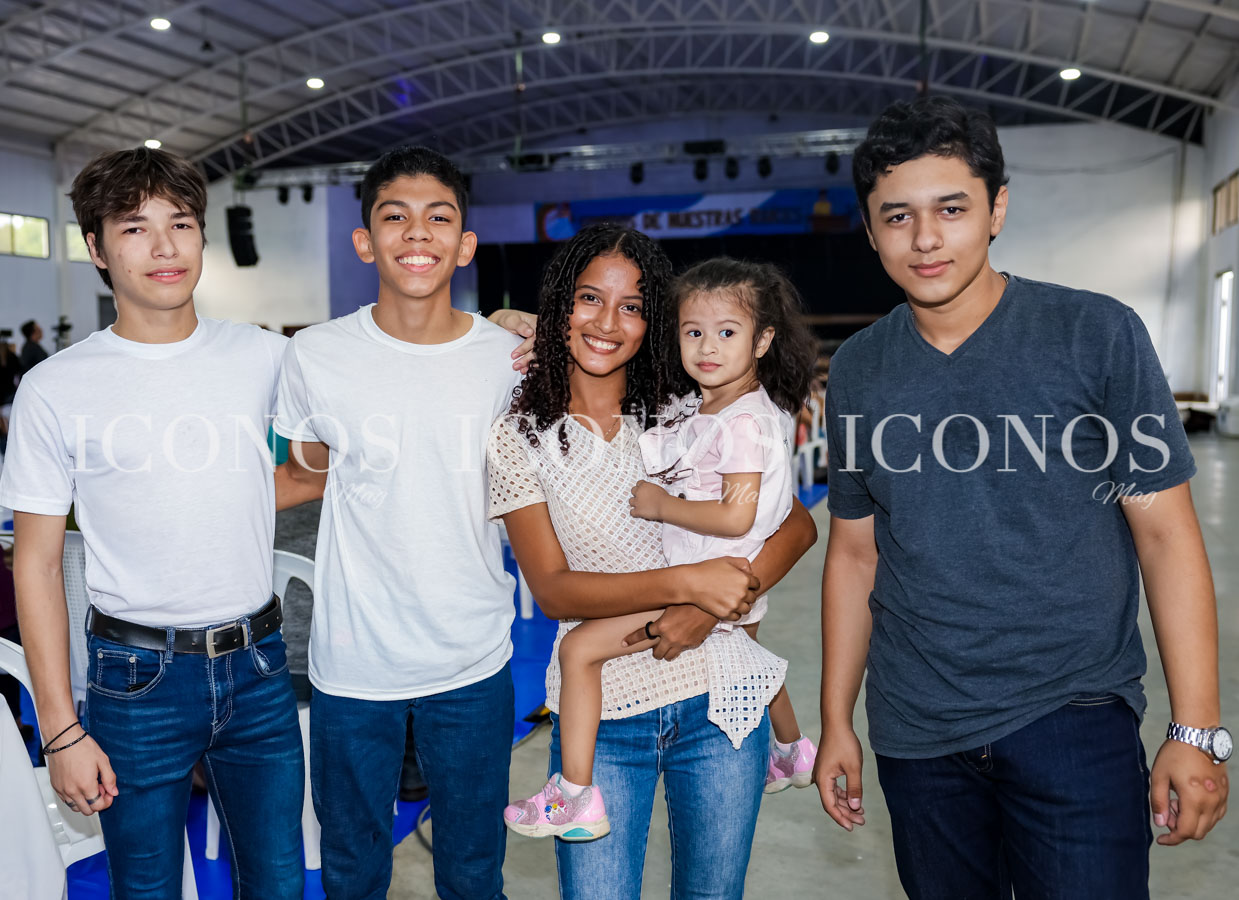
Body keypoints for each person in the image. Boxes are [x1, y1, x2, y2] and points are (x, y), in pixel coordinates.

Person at [815, 95, 1229, 899]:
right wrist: (837, 720)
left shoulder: (1094, 334)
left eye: (950, 209)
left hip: (1072, 716)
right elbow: (855, 552)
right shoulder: (860, 369)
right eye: (896, 216)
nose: (924, 238)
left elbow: (1166, 538)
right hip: (917, 733)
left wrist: (1196, 729)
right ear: (868, 230)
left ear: (996, 209)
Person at [0, 147, 328, 898]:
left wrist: (501, 333)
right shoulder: (55, 388)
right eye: (134, 228)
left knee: (278, 881)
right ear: (96, 249)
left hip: (259, 667)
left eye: (180, 224)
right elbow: (37, 564)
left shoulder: (265, 356)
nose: (163, 247)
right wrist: (60, 729)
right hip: (134, 680)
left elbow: (324, 448)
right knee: (145, 887)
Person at [488, 224, 818, 898]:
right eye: (588, 298)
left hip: (721, 703)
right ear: (559, 306)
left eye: (632, 306)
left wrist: (707, 609)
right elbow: (554, 591)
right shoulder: (517, 436)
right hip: (602, 723)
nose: (608, 322)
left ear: (654, 322)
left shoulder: (689, 406)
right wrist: (689, 586)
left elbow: (796, 525)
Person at [274, 146, 525, 900]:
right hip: (353, 660)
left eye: (438, 217)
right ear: (364, 241)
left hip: (472, 655)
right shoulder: (315, 354)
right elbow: (304, 475)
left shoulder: (509, 358)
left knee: (474, 873)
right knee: (352, 873)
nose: (417, 232)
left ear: (465, 244)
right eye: (395, 216)